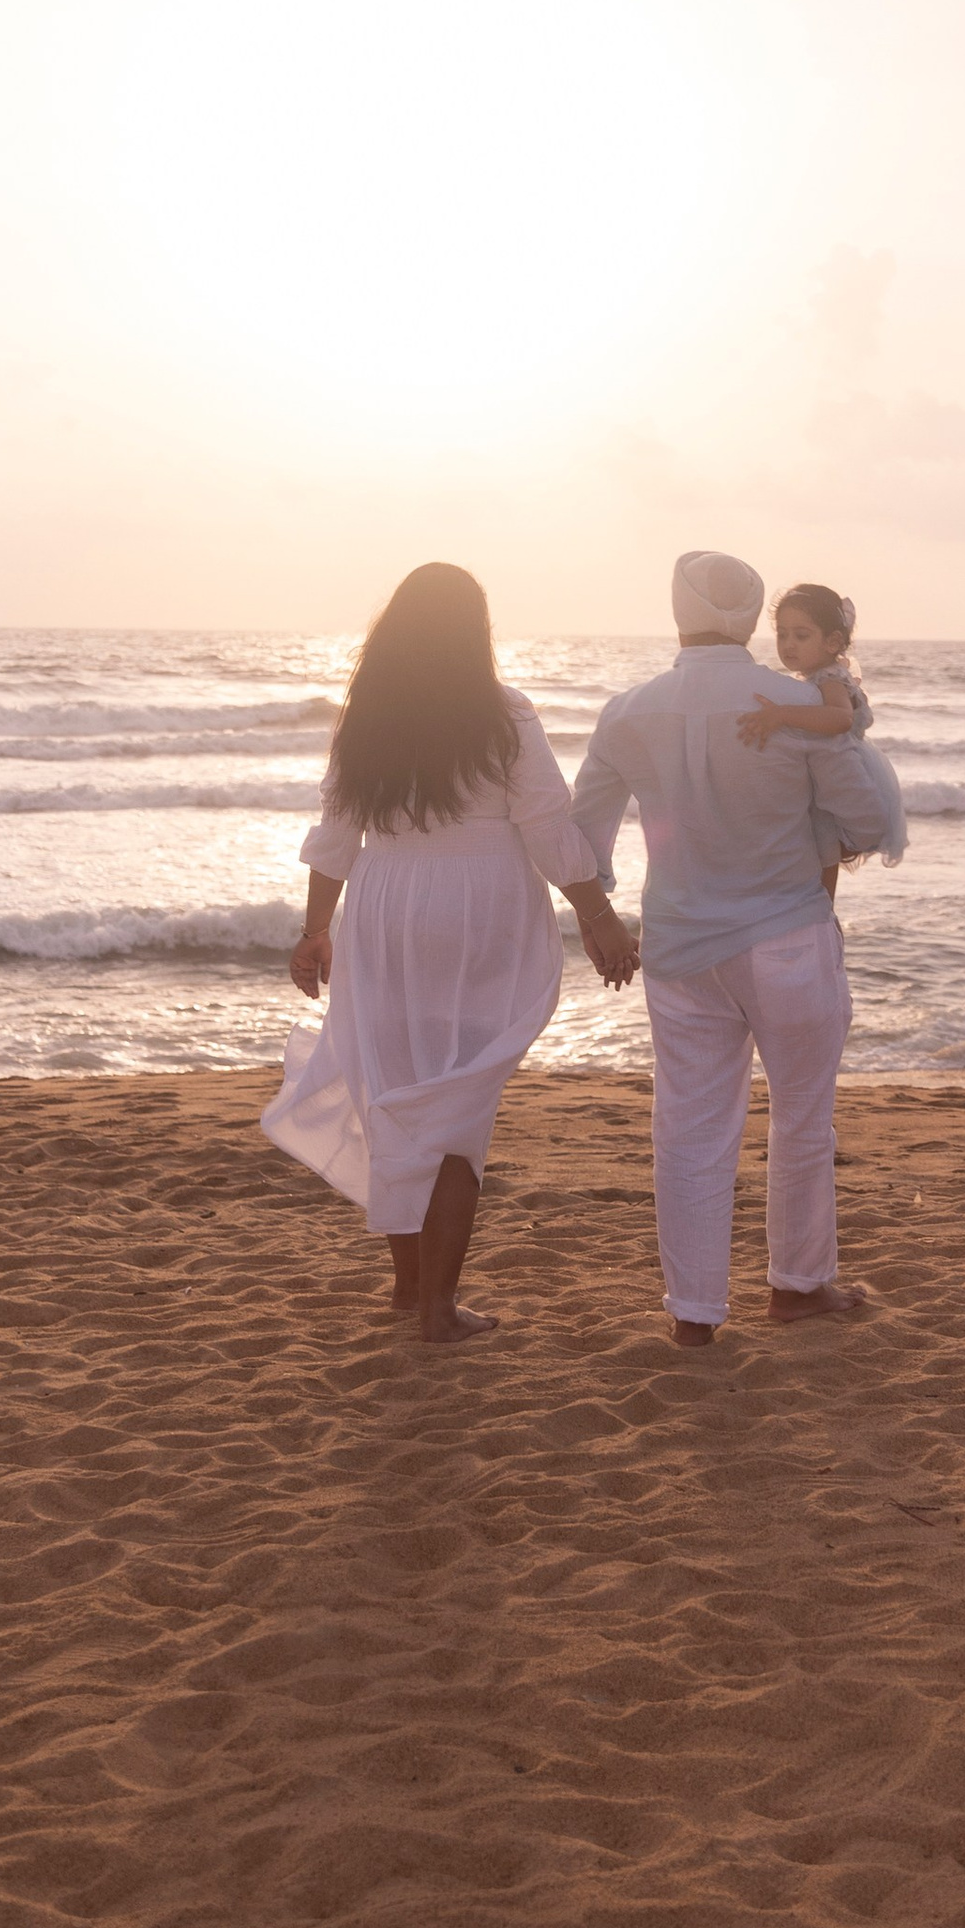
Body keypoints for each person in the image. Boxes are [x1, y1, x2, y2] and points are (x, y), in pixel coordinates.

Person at [262, 562, 637, 1345]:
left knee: (397, 1094)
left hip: (387, 908)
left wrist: (313, 928)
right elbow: (545, 826)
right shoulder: (503, 714)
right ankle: (436, 1306)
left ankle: (410, 1287)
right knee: (457, 1107)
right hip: (480, 915)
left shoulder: (367, 716)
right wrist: (598, 917)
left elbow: (336, 837)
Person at [571, 549, 893, 1348]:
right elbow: (870, 822)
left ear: (676, 610)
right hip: (786, 935)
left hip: (680, 949)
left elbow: (581, 837)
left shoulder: (628, 710)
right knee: (802, 1120)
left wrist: (598, 914)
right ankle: (798, 1286)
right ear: (754, 622)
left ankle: (694, 1314)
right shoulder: (792, 701)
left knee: (687, 1129)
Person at [735, 580, 908, 881]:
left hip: (844, 768)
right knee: (821, 842)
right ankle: (823, 911)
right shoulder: (816, 677)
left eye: (801, 635)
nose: (788, 644)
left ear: (832, 642)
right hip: (827, 770)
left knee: (828, 839)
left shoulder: (830, 679)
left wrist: (782, 715)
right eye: (782, 634)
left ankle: (823, 910)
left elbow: (839, 719)